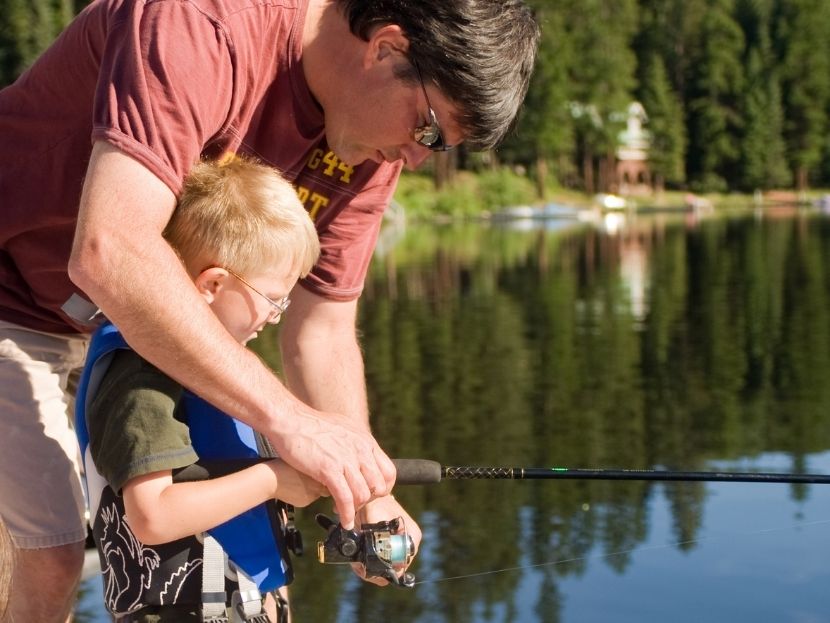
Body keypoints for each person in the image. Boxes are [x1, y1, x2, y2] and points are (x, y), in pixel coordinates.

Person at [0, 0, 540, 620]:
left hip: (119, 326)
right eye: (429, 129)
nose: (417, 158)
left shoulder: (365, 145)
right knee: (46, 557)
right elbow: (111, 251)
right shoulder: (202, 25)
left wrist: (365, 490)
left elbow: (323, 329)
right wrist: (289, 421)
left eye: (441, 149)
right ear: (386, 47)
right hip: (14, 292)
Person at [78, 156, 324, 621]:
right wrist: (276, 479)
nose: (277, 316)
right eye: (274, 299)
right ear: (212, 284)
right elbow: (153, 517)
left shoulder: (224, 374)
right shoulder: (139, 373)